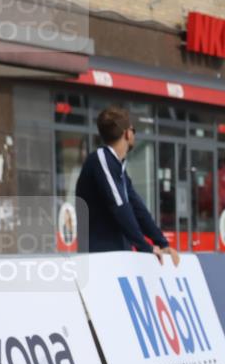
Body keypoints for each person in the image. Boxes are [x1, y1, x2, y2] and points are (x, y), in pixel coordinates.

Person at [75, 106, 179, 265]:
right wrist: (145, 247)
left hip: (118, 254)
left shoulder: (118, 166)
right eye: (133, 130)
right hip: (101, 257)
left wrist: (162, 243)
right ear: (127, 133)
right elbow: (120, 207)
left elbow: (137, 208)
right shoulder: (101, 160)